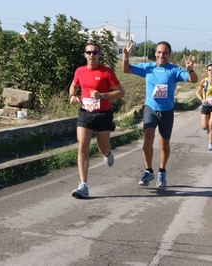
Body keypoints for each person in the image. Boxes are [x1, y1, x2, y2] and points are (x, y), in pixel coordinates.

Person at [121, 41, 198, 187]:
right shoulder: (148, 68)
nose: (162, 55)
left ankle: (162, 172)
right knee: (148, 139)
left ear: (169, 55)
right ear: (155, 53)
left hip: (167, 111)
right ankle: (148, 171)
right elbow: (126, 70)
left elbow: (193, 80)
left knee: (164, 145)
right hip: (150, 108)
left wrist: (190, 70)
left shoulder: (174, 70)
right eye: (159, 52)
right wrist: (125, 57)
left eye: (165, 53)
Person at [69, 42, 125, 198]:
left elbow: (121, 92)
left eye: (94, 52)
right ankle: (83, 185)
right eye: (88, 52)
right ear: (84, 54)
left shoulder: (106, 72)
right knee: (82, 145)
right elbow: (73, 86)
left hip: (102, 114)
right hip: (85, 113)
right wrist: (72, 96)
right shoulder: (79, 71)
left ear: (99, 54)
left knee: (102, 147)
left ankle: (107, 153)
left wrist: (102, 95)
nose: (91, 55)